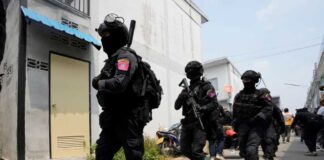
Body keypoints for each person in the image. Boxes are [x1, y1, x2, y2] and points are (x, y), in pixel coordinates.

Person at [93, 13, 148, 160]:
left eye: (106, 34)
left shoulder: (125, 57)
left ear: (116, 36)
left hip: (128, 117)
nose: (103, 39)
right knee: (102, 154)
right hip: (112, 117)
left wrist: (99, 83)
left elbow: (119, 83)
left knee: (133, 156)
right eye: (102, 35)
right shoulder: (113, 60)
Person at [175, 61, 218, 160]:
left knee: (196, 151)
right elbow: (176, 106)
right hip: (187, 123)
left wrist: (202, 108)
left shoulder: (207, 86)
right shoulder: (186, 89)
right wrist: (183, 96)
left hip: (200, 122)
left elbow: (214, 103)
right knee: (184, 150)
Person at [232, 70, 273, 160]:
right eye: (244, 80)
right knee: (243, 152)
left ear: (254, 81)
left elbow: (269, 108)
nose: (245, 82)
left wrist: (257, 117)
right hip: (242, 126)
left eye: (248, 80)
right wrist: (234, 124)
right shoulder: (238, 96)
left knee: (251, 150)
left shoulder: (261, 94)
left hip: (256, 126)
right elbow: (235, 111)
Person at [259, 88, 285, 160]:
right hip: (265, 126)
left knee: (268, 141)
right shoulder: (269, 104)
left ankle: (268, 155)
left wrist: (282, 127)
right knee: (267, 141)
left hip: (268, 126)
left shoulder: (271, 104)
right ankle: (268, 155)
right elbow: (280, 115)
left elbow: (279, 116)